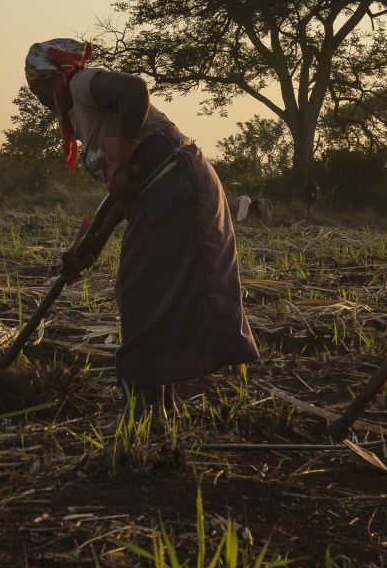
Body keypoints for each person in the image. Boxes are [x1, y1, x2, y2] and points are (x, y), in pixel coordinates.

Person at [23, 41, 260, 414]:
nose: (38, 99)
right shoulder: (87, 117)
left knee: (140, 291)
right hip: (161, 192)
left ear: (53, 79)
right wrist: (88, 246)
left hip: (176, 183)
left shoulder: (81, 84)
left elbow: (135, 89)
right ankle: (155, 407)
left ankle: (145, 410)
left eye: (36, 88)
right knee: (144, 293)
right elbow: (122, 191)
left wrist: (117, 163)